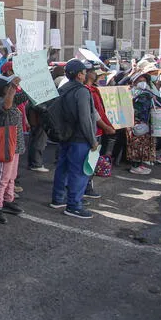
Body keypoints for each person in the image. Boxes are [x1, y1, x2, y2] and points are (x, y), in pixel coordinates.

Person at [50, 59, 98, 219]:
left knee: (62, 168)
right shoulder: (82, 91)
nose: (86, 75)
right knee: (79, 172)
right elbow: (85, 118)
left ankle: (58, 199)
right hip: (79, 137)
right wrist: (92, 140)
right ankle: (74, 205)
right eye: (84, 72)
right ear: (79, 75)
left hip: (65, 135)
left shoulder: (62, 89)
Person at [0, 76, 28, 224]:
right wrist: (13, 86)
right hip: (6, 144)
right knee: (2, 177)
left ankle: (8, 199)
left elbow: (24, 95)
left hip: (14, 144)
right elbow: (7, 104)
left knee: (11, 176)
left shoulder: (12, 98)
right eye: (7, 86)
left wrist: (32, 79)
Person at [127, 73, 161, 171]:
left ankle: (139, 164)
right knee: (137, 145)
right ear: (134, 82)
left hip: (145, 122)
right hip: (135, 122)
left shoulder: (147, 93)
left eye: (144, 81)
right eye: (139, 81)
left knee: (144, 144)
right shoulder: (129, 92)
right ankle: (135, 166)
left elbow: (160, 100)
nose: (142, 83)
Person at [83, 68, 115, 199]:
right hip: (93, 131)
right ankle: (86, 187)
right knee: (88, 162)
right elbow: (94, 114)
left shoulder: (94, 90)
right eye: (96, 74)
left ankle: (85, 186)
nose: (99, 76)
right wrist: (106, 127)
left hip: (98, 129)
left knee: (91, 161)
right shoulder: (86, 91)